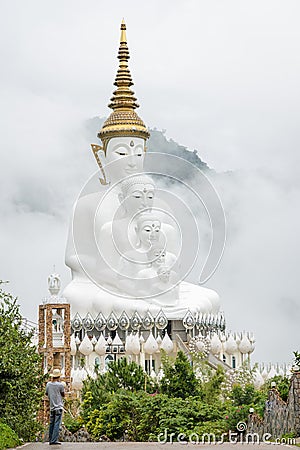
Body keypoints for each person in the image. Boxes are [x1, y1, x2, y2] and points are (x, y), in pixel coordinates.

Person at [46, 368, 65, 445]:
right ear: (58, 377)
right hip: (58, 406)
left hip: (52, 406)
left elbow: (46, 393)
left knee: (51, 423)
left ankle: (50, 439)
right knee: (57, 424)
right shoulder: (60, 385)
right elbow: (63, 394)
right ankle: (54, 440)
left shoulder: (48, 384)